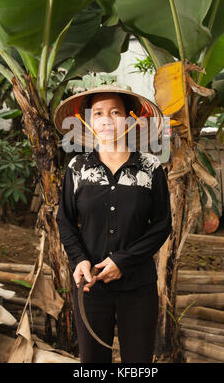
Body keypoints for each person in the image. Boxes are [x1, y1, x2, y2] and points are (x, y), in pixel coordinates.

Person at [54, 85, 172, 363]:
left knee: (138, 362)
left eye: (115, 112)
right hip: (90, 283)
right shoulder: (77, 168)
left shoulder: (149, 167)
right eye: (98, 113)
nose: (107, 119)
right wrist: (79, 259)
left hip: (139, 284)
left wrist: (123, 261)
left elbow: (161, 223)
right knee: (93, 362)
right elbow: (66, 220)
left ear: (129, 120)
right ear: (88, 120)